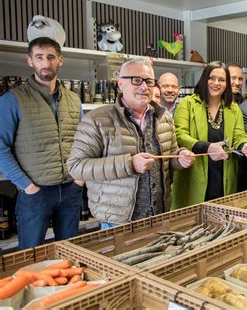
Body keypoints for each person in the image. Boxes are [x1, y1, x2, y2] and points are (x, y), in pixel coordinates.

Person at [67, 58, 195, 229]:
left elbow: (170, 156)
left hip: (159, 214)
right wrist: (129, 164)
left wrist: (180, 158)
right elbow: (76, 166)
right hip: (117, 220)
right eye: (136, 80)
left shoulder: (164, 118)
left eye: (149, 81)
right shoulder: (97, 120)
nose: (144, 87)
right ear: (120, 83)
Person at [0, 37, 83, 249]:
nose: (45, 63)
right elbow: (1, 148)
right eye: (39, 57)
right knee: (30, 254)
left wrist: (80, 179)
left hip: (71, 188)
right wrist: (27, 186)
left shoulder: (74, 99)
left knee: (70, 253)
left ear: (60, 60)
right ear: (30, 61)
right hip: (35, 193)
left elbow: (84, 142)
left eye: (50, 57)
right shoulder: (13, 100)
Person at [172, 61, 247, 209]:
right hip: (194, 175)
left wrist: (245, 146)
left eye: (222, 80)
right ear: (204, 78)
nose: (216, 83)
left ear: (227, 84)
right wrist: (208, 147)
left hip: (224, 176)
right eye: (212, 78)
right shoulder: (187, 104)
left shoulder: (233, 108)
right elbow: (180, 135)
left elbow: (239, 136)